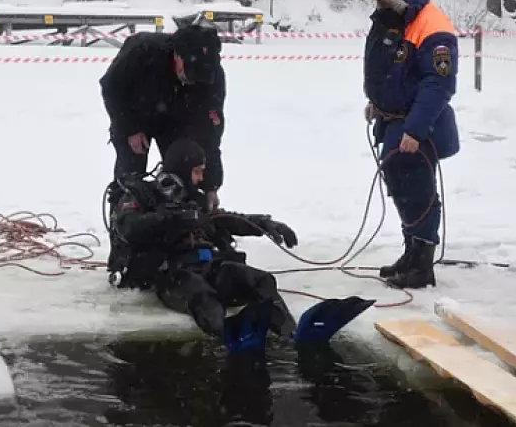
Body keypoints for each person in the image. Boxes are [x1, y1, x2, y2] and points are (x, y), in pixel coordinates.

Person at [107, 138, 374, 353]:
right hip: (171, 274)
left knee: (260, 280)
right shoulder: (142, 195)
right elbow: (129, 227)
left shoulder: (194, 199)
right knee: (203, 296)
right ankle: (230, 336)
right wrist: (176, 218)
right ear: (180, 172)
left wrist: (264, 224)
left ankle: (290, 333)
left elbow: (225, 220)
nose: (200, 179)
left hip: (207, 265)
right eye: (197, 172)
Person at [358, 0, 460, 289]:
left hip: (419, 125)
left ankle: (422, 263)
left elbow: (438, 84)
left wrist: (415, 129)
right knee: (399, 186)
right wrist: (376, 102)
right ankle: (411, 251)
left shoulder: (433, 28)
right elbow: (388, 69)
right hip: (392, 120)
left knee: (417, 189)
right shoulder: (394, 20)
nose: (379, 3)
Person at [99, 24, 225, 212]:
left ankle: (177, 225)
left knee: (183, 167)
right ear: (177, 55)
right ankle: (123, 223)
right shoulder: (143, 52)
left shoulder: (212, 77)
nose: (191, 82)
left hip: (175, 120)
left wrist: (210, 186)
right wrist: (130, 128)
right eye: (189, 75)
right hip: (133, 113)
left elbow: (210, 133)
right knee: (131, 173)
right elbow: (111, 88)